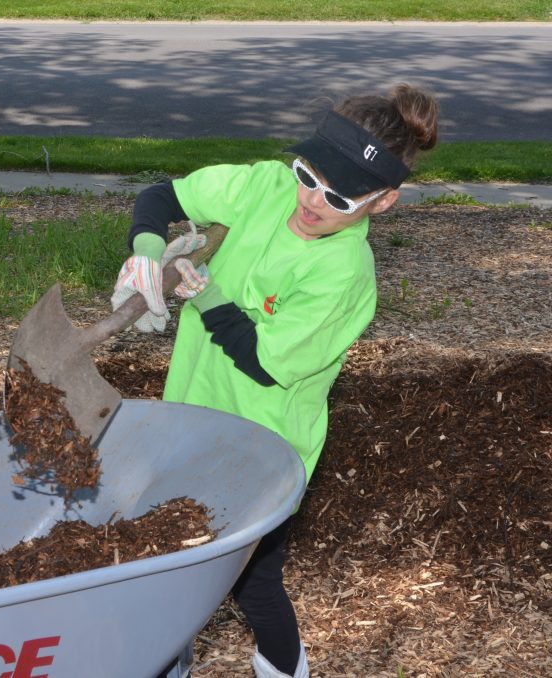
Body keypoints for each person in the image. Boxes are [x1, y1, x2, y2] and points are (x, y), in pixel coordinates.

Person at [113, 84, 440, 678]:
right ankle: (167, 662)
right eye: (308, 176)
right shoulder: (266, 186)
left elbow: (261, 359)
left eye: (340, 196)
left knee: (254, 584)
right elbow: (164, 193)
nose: (313, 201)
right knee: (167, 562)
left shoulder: (344, 274)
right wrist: (147, 249)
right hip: (189, 419)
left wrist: (205, 292)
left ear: (383, 202)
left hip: (263, 449)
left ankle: (285, 669)